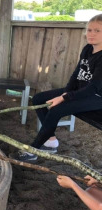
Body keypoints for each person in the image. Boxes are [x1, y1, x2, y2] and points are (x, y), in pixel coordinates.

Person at [12, 14, 102, 162]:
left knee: (56, 109)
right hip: (80, 91)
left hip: (96, 97)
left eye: (97, 31)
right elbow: (77, 74)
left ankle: (34, 150)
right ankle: (51, 141)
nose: (91, 34)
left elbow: (93, 88)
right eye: (89, 30)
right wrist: (67, 90)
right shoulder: (87, 49)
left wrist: (64, 97)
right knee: (39, 99)